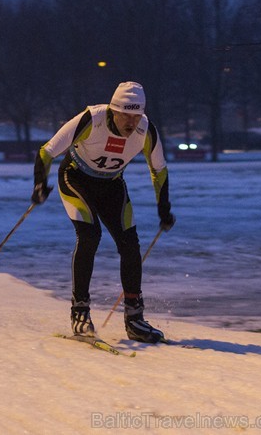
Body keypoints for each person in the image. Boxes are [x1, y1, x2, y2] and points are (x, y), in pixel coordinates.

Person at [32, 82, 175, 343]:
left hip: (111, 186)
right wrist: (40, 185)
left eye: (136, 116)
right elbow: (47, 151)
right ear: (113, 110)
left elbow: (159, 170)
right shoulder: (92, 118)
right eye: (126, 116)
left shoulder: (146, 129)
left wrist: (164, 209)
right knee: (90, 236)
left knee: (130, 244)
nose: (131, 123)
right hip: (76, 179)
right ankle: (80, 313)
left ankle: (134, 319)